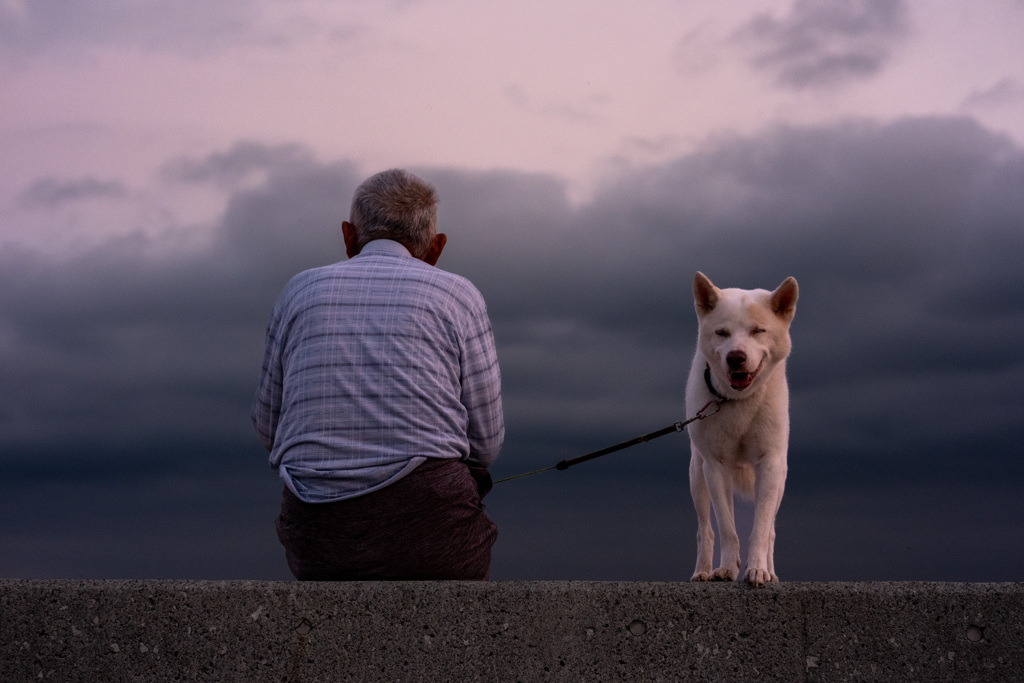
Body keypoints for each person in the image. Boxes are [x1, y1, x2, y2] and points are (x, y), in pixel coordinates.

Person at [252, 168, 504, 580]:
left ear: (349, 236)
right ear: (436, 248)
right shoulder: (457, 294)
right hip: (432, 532)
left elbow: (268, 429)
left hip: (318, 537)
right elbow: (486, 445)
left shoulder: (299, 291)